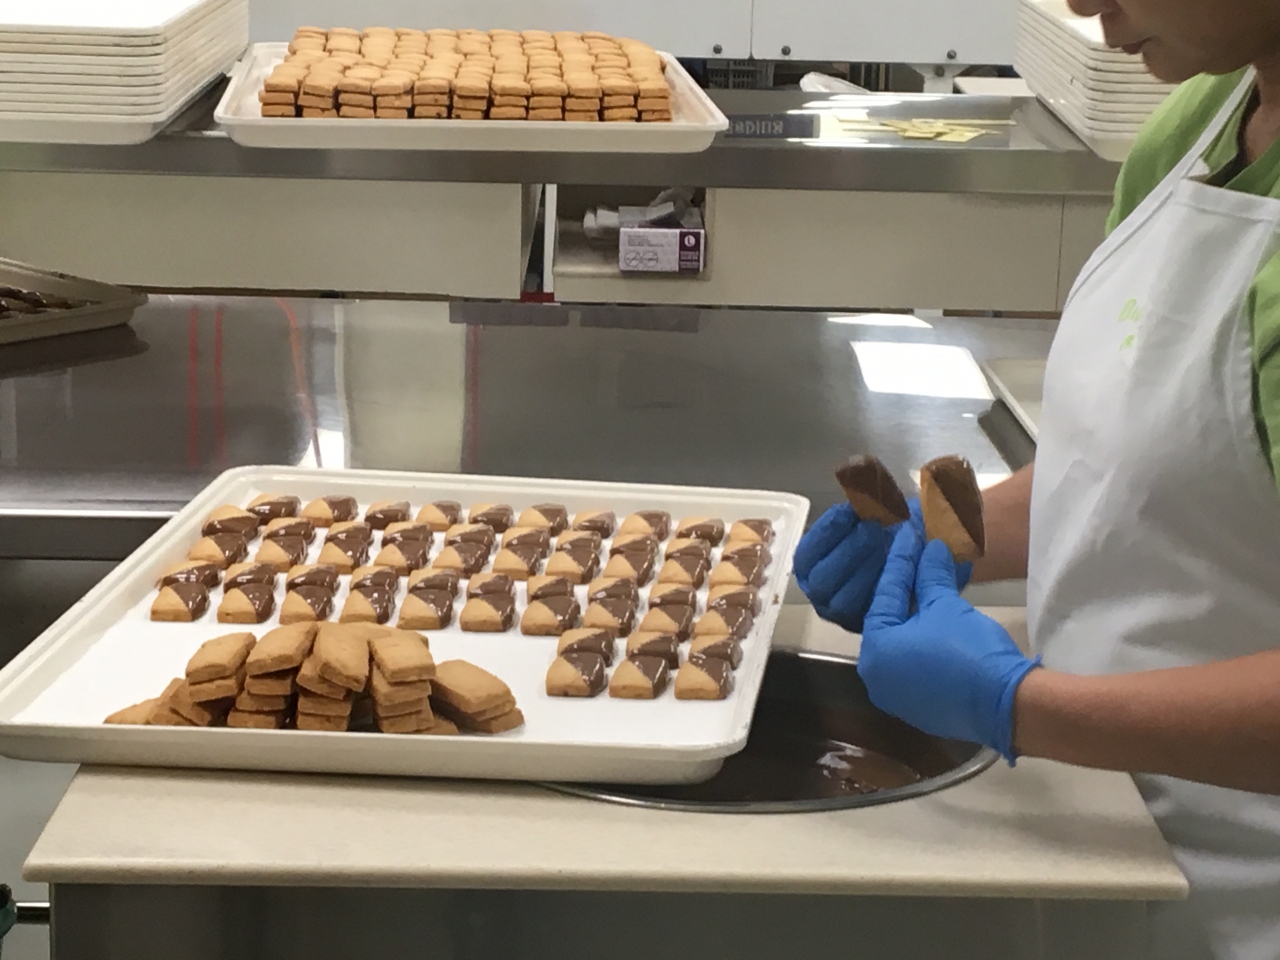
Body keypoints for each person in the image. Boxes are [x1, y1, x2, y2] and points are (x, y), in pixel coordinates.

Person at [794, 1, 1280, 957]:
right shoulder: (1199, 124)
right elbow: (1134, 463)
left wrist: (1020, 706)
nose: (1086, 3)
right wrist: (944, 536)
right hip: (1103, 835)